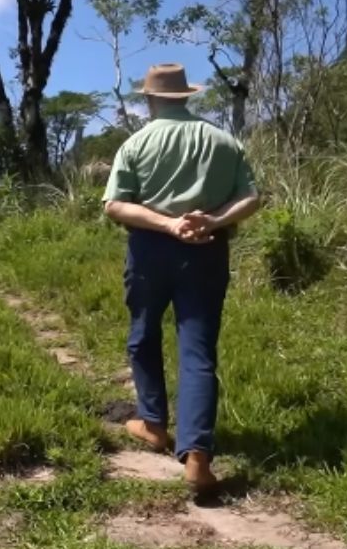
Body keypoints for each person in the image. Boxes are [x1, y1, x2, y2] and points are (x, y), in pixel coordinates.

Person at [102, 63, 261, 495]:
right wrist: (211, 220)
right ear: (186, 96)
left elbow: (116, 206)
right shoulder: (223, 141)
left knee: (143, 333)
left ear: (150, 99)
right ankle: (197, 458)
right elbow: (251, 197)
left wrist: (166, 225)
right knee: (197, 350)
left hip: (150, 249)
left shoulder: (137, 143)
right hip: (207, 250)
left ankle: (152, 422)